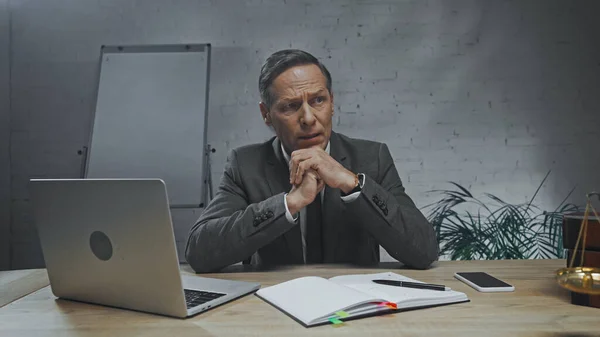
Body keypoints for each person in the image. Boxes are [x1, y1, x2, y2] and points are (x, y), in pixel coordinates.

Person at [185, 49, 438, 273]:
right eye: (290, 106)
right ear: (266, 115)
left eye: (318, 100)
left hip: (354, 308)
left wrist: (353, 185)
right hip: (274, 308)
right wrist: (289, 203)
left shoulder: (372, 158)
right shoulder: (245, 164)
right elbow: (199, 252)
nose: (308, 118)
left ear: (332, 102)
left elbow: (423, 250)